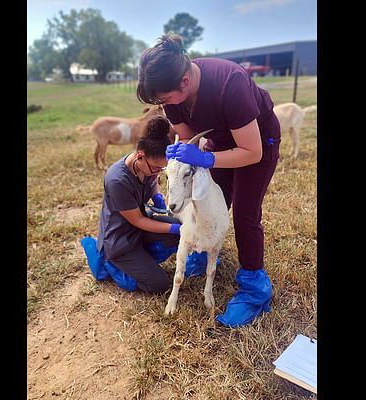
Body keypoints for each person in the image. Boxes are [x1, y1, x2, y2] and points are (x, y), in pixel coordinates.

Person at [136, 33, 280, 328]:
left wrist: (208, 160)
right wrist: (187, 148)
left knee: (244, 214)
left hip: (257, 143)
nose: (164, 105)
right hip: (219, 143)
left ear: (184, 82)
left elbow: (251, 152)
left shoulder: (230, 83)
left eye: (164, 98)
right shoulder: (174, 99)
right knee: (210, 201)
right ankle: (202, 253)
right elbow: (187, 133)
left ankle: (254, 288)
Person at [80, 116, 210, 293]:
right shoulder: (117, 180)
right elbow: (139, 221)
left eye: (161, 169)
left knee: (181, 227)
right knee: (159, 285)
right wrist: (175, 229)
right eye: (156, 168)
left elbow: (153, 180)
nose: (157, 173)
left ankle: (142, 259)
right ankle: (108, 263)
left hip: (139, 231)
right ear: (140, 156)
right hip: (120, 241)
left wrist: (158, 198)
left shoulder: (148, 166)